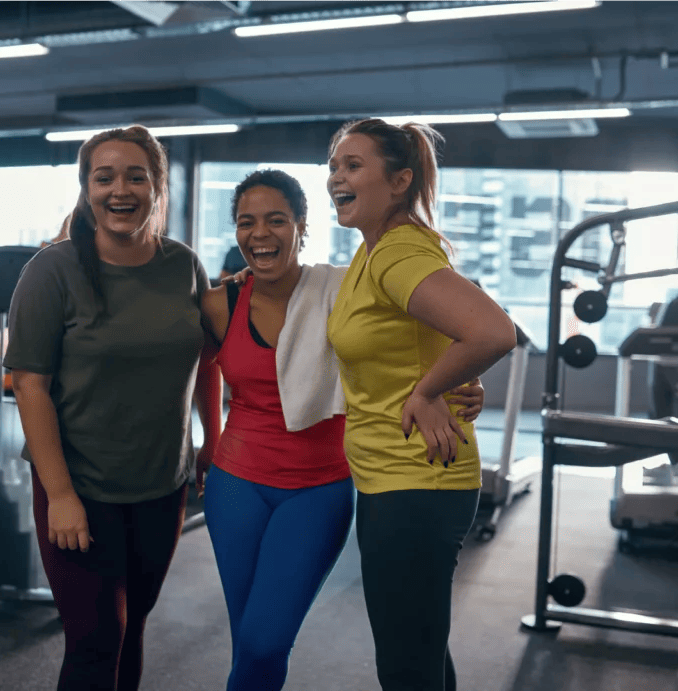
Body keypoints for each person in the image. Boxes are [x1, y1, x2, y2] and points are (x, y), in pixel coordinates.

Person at [199, 169, 485, 691]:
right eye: (246, 222)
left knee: (265, 639)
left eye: (276, 220)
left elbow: (414, 334)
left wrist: (461, 381)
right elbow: (193, 373)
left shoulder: (343, 289)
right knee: (250, 642)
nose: (260, 233)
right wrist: (203, 441)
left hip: (316, 489)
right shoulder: (221, 304)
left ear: (301, 227)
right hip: (234, 484)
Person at [3, 125, 222, 691]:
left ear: (157, 187)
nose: (119, 190)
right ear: (87, 188)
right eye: (105, 177)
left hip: (160, 483)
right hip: (80, 485)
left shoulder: (183, 266)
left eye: (135, 176)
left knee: (134, 627)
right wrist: (62, 497)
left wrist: (212, 442)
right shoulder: (52, 271)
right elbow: (29, 383)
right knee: (96, 639)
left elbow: (210, 358)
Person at [324, 118, 517, 691]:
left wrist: (427, 390)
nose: (337, 176)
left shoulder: (396, 254)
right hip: (400, 478)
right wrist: (434, 377)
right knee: (421, 647)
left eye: (354, 165)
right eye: (334, 165)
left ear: (400, 180)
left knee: (407, 662)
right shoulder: (376, 248)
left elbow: (492, 331)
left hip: (414, 481)